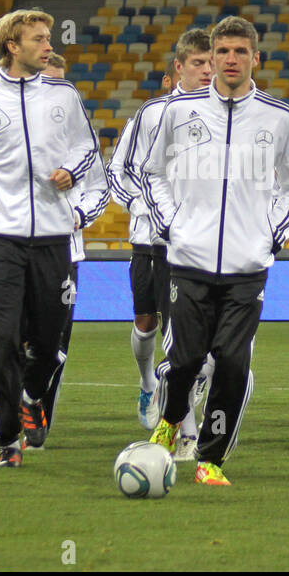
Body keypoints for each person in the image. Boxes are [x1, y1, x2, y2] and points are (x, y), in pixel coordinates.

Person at [141, 15, 289, 485]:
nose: (231, 60)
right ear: (210, 57)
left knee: (233, 363)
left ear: (256, 58)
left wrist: (271, 233)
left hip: (247, 266)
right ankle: (171, 421)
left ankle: (211, 459)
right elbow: (151, 173)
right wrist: (171, 225)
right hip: (189, 261)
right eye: (223, 52)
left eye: (241, 52)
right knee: (186, 361)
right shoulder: (179, 111)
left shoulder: (280, 118)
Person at [0, 8, 105, 468]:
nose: (49, 45)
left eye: (48, 38)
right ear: (13, 46)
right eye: (40, 39)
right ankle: (9, 441)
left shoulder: (65, 96)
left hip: (54, 237)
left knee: (49, 345)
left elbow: (89, 146)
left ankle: (32, 395)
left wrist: (73, 170)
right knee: (2, 341)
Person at [106, 28, 212, 431]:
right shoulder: (151, 115)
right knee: (147, 323)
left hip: (197, 245)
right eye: (197, 63)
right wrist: (143, 206)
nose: (206, 70)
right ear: (178, 68)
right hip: (152, 242)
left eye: (210, 63)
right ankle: (148, 381)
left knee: (187, 336)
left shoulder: (226, 116)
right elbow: (120, 170)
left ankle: (185, 429)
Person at [23, 53, 109, 447]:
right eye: (46, 80)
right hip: (13, 247)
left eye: (60, 83)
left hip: (65, 253)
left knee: (54, 343)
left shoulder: (79, 136)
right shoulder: (12, 127)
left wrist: (77, 214)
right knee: (9, 338)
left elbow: (100, 189)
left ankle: (39, 415)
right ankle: (9, 402)